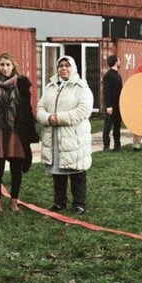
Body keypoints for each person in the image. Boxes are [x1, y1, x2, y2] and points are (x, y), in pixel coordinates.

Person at [37, 56, 93, 215]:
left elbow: (83, 111)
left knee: (77, 171)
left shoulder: (81, 87)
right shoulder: (50, 86)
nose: (63, 68)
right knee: (58, 172)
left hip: (73, 137)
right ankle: (59, 202)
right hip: (54, 137)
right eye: (60, 65)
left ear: (73, 67)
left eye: (67, 65)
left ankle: (79, 203)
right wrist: (47, 118)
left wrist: (59, 118)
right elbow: (40, 108)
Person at [0, 53, 35, 213]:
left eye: (8, 65)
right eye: (2, 64)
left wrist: (29, 131)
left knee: (16, 168)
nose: (5, 68)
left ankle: (14, 201)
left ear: (13, 66)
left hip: (15, 133)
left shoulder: (22, 85)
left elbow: (27, 110)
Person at [101, 54, 123, 151]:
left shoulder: (117, 74)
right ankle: (106, 146)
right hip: (111, 105)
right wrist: (108, 106)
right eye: (118, 60)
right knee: (108, 126)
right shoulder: (108, 75)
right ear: (115, 62)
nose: (120, 62)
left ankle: (117, 146)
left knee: (117, 126)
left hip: (118, 105)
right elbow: (106, 92)